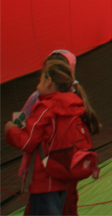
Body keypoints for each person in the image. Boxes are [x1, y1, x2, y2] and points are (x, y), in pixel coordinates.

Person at [4, 62, 100, 215]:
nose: (37, 85)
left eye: (40, 80)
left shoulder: (44, 107)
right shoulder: (75, 105)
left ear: (48, 81)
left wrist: (11, 130)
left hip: (45, 179)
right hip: (64, 175)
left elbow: (27, 141)